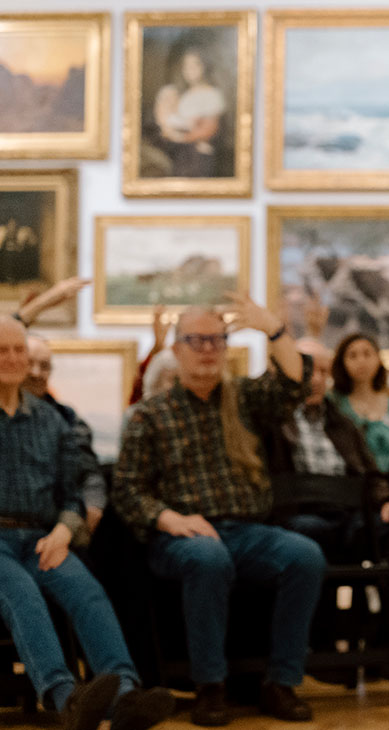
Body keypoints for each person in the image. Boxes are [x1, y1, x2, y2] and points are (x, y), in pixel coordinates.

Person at [112, 296, 326, 727]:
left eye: (216, 340)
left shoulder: (244, 398)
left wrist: (274, 329)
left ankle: (280, 682)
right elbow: (127, 490)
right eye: (196, 340)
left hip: (248, 531)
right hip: (180, 537)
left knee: (305, 555)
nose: (208, 349)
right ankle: (210, 687)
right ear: (177, 350)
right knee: (209, 559)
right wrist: (170, 519)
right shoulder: (149, 416)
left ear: (226, 346)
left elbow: (295, 381)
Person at [0, 316, 175, 730]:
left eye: (18, 349)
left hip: (45, 536)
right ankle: (66, 699)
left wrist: (64, 529)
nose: (11, 358)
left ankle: (126, 695)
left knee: (88, 594)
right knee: (24, 597)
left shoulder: (52, 420)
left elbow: (74, 488)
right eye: (1, 350)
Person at [264, 338, 389, 561]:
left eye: (323, 371)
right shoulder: (274, 420)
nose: (316, 379)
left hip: (348, 514)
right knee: (311, 530)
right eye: (307, 370)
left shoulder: (342, 423)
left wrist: (386, 502)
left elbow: (370, 470)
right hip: (300, 514)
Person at [23, 334, 108, 536]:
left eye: (44, 366)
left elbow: (88, 471)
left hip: (59, 520)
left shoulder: (67, 417)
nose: (36, 373)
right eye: (29, 363)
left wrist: (93, 504)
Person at [328, 333, 389, 476]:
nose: (361, 361)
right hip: (351, 483)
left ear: (378, 359)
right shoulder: (334, 404)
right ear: (342, 362)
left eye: (367, 354)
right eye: (352, 356)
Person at [150, 48, 226, 178]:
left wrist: (183, 137)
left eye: (194, 65)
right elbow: (169, 120)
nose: (189, 70)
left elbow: (208, 129)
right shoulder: (183, 95)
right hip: (179, 154)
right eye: (186, 66)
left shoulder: (212, 95)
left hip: (198, 157)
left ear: (203, 66)